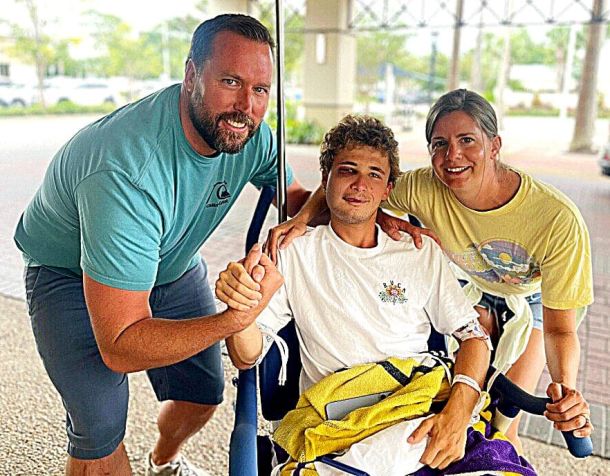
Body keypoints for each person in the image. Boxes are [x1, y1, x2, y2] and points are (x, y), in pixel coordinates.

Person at [13, 14, 311, 476]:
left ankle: (164, 461)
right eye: (230, 82)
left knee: (202, 393)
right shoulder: (126, 171)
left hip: (171, 262)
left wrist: (376, 213)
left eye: (260, 89)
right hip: (69, 271)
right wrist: (234, 319)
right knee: (98, 431)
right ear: (192, 75)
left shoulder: (248, 134)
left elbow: (296, 199)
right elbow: (121, 345)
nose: (246, 105)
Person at [264, 89, 594, 451]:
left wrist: (567, 393)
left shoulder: (556, 220)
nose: (453, 156)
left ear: (495, 145)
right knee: (466, 361)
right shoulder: (424, 187)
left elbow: (560, 330)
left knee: (503, 425)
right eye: (440, 144)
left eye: (467, 140)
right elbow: (350, 186)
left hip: (531, 298)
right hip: (475, 285)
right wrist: (303, 220)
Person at [216, 114, 492, 471]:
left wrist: (459, 412)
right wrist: (241, 311)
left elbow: (473, 337)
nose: (360, 185)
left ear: (387, 190)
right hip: (338, 426)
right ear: (325, 179)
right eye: (348, 170)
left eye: (374, 174)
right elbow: (246, 356)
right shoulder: (293, 253)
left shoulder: (419, 250)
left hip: (416, 410)